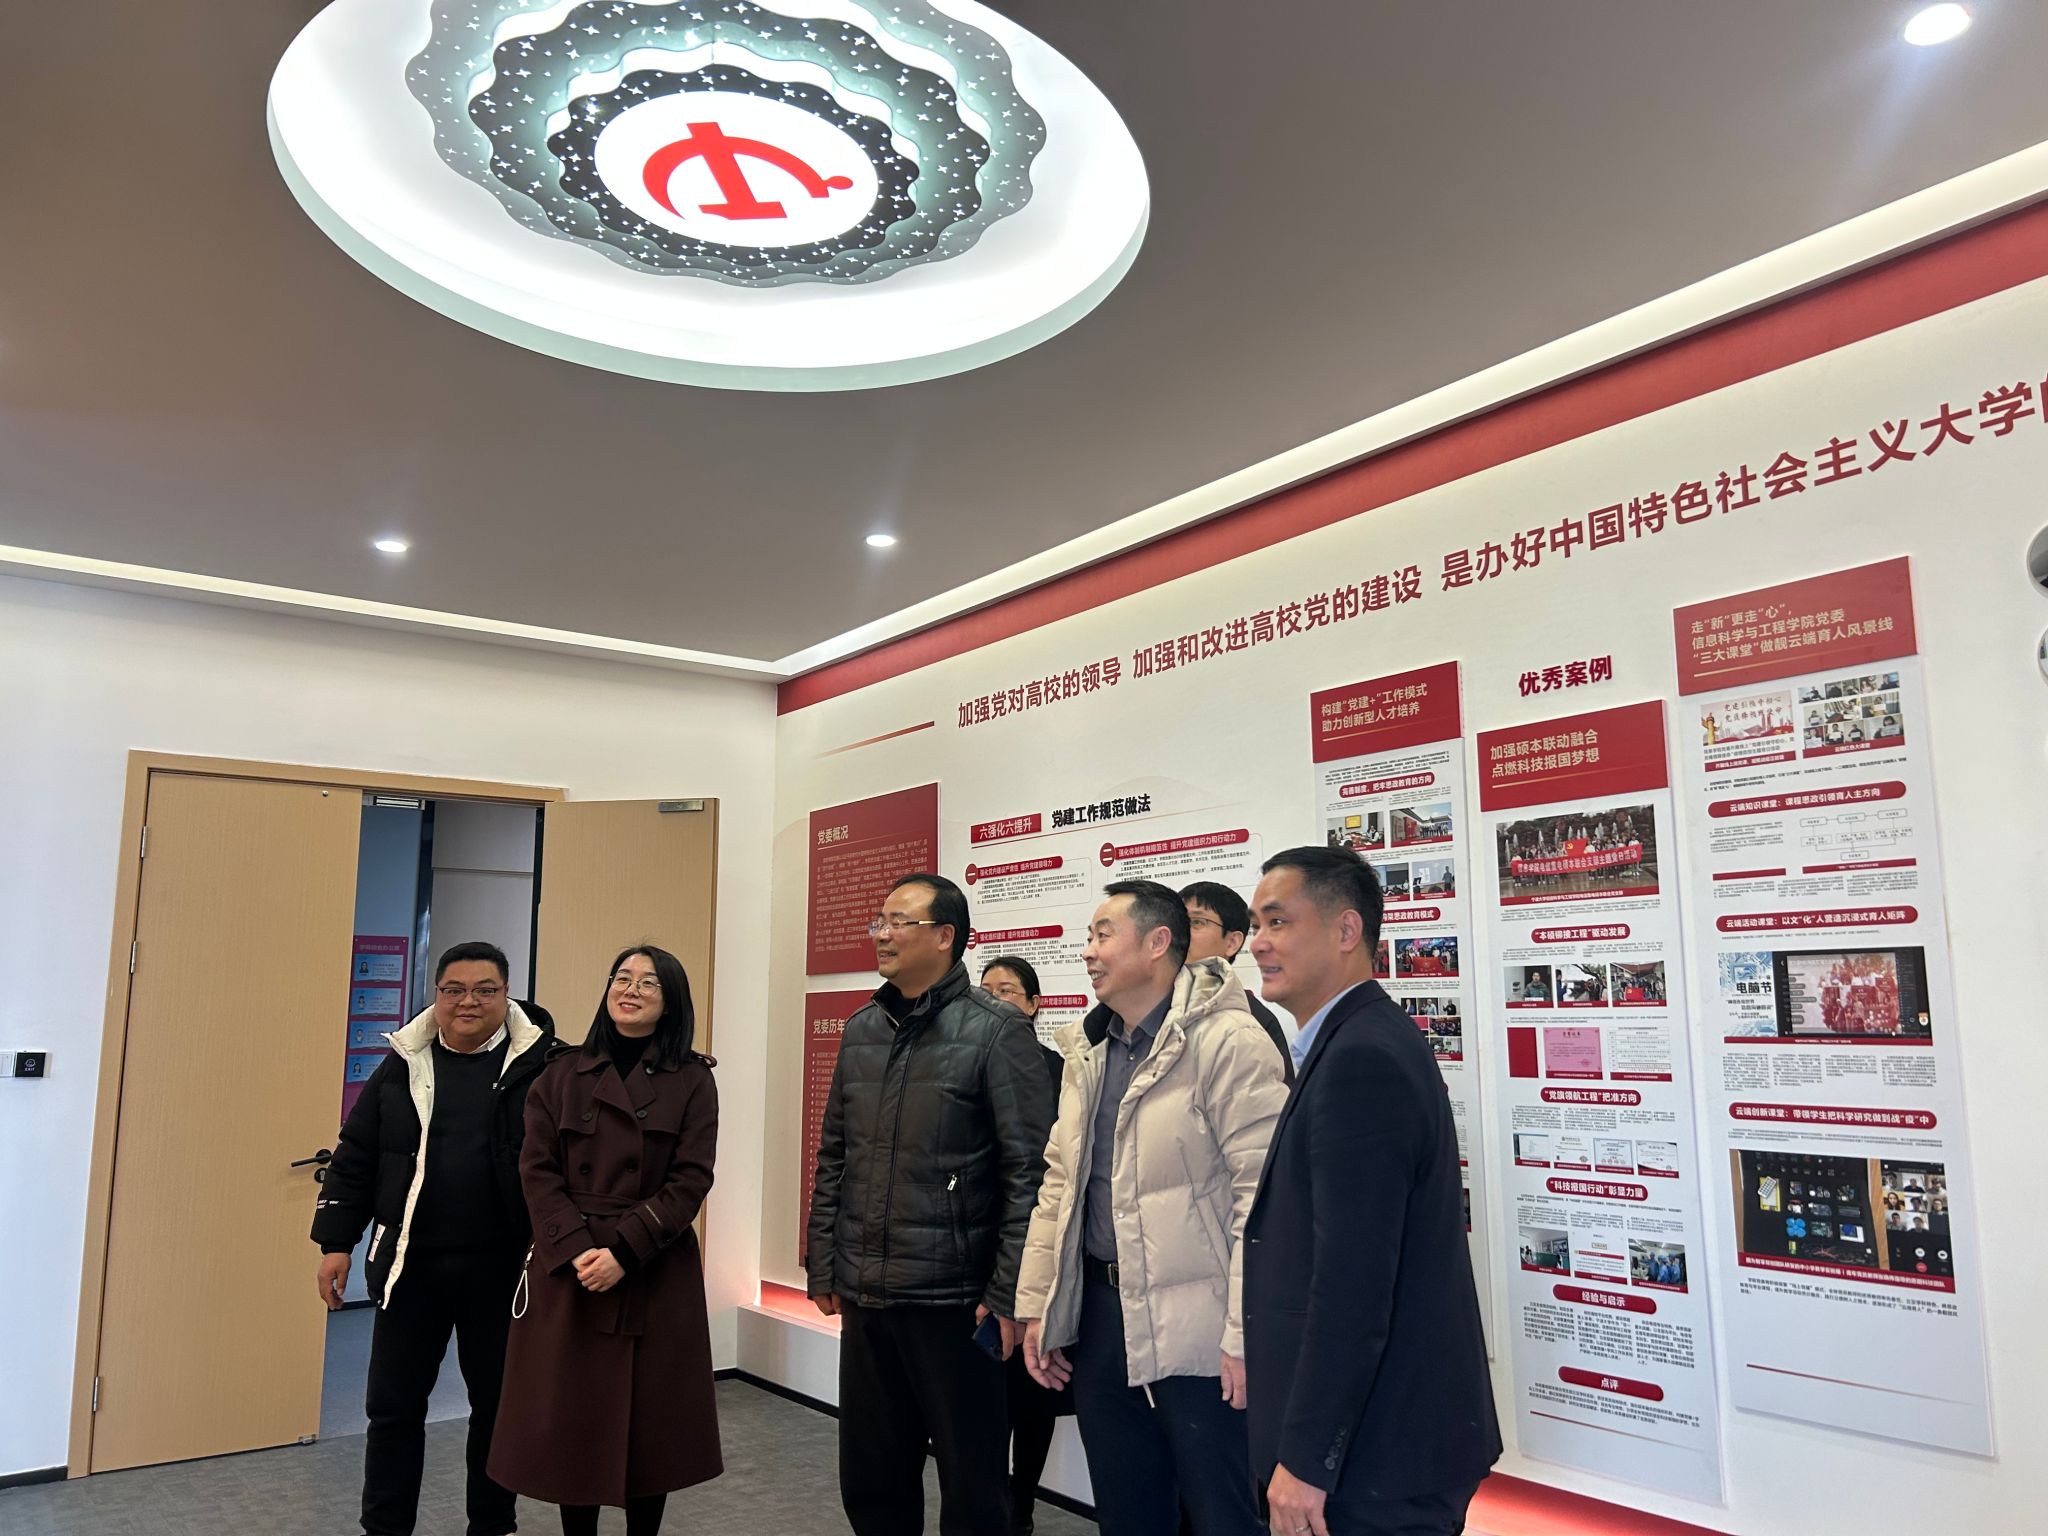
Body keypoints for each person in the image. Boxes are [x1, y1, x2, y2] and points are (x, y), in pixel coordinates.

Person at [1016, 880, 1287, 1536]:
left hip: (1201, 1327)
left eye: (1103, 935)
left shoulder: (1229, 1040)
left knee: (1222, 1515)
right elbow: (1060, 1187)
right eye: (1088, 937)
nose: (1088, 951)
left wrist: (1247, 1333)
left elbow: (1266, 1202)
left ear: (1159, 942)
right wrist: (1039, 1305)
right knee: (1126, 1511)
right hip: (1103, 1321)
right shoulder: (1089, 1052)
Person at [1244, 848, 1499, 1536]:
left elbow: (1353, 1286)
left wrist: (1307, 1460)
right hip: (1378, 1450)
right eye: (1255, 924)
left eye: (1277, 921)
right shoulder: (1352, 1041)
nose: (1257, 943)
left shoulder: (1360, 1058)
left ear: (1346, 930)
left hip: (1375, 1460)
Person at [807, 873, 1057, 1536]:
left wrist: (1009, 1291)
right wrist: (824, 1262)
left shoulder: (998, 1031)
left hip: (956, 1301)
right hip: (868, 1295)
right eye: (879, 921)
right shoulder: (862, 1029)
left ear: (945, 936)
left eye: (899, 921)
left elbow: (1030, 1172)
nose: (882, 934)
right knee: (873, 1481)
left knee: (973, 1488)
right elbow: (834, 1155)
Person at [310, 941, 552, 1536]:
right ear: (437, 995)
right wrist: (336, 1243)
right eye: (454, 990)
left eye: (485, 990)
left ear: (506, 995)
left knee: (497, 1409)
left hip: (502, 1272)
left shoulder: (543, 1068)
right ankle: (385, 1527)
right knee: (392, 1411)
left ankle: (491, 1526)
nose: (468, 1002)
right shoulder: (403, 1063)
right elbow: (356, 1155)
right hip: (410, 1269)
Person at [489, 945, 722, 1536]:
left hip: (652, 1266)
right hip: (570, 1268)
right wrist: (575, 1249)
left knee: (652, 1428)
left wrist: (623, 1251)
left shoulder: (693, 1080)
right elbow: (536, 1170)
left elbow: (690, 1179)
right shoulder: (560, 1073)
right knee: (573, 1420)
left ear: (671, 1001)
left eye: (648, 983)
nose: (631, 990)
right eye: (623, 977)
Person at [980, 955, 1077, 1536]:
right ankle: (992, 1503)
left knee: (1032, 1392)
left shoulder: (1060, 1071)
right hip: (980, 1250)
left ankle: (1021, 1505)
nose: (994, 1000)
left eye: (1008, 991)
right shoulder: (966, 1061)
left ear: (1036, 1005)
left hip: (1040, 1249)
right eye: (986, 990)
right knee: (984, 1393)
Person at [1179, 880, 1294, 1082]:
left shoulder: (1254, 1021)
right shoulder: (1144, 1006)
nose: (1179, 931)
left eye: (1196, 922)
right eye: (1176, 920)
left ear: (1232, 942)